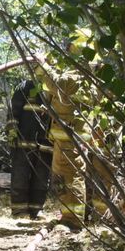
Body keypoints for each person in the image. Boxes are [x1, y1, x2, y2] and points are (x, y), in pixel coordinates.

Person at [34, 28, 114, 229]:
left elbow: (58, 84)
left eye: (70, 46)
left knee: (69, 175)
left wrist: (43, 65)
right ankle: (78, 217)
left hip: (70, 135)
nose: (67, 50)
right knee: (68, 174)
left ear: (77, 47)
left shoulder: (80, 73)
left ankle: (73, 221)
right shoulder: (92, 73)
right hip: (72, 135)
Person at [7, 78, 53, 219]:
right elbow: (13, 110)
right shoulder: (25, 86)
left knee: (42, 176)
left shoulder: (55, 87)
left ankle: (36, 209)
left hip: (45, 142)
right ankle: (19, 210)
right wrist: (12, 132)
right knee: (21, 174)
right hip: (23, 140)